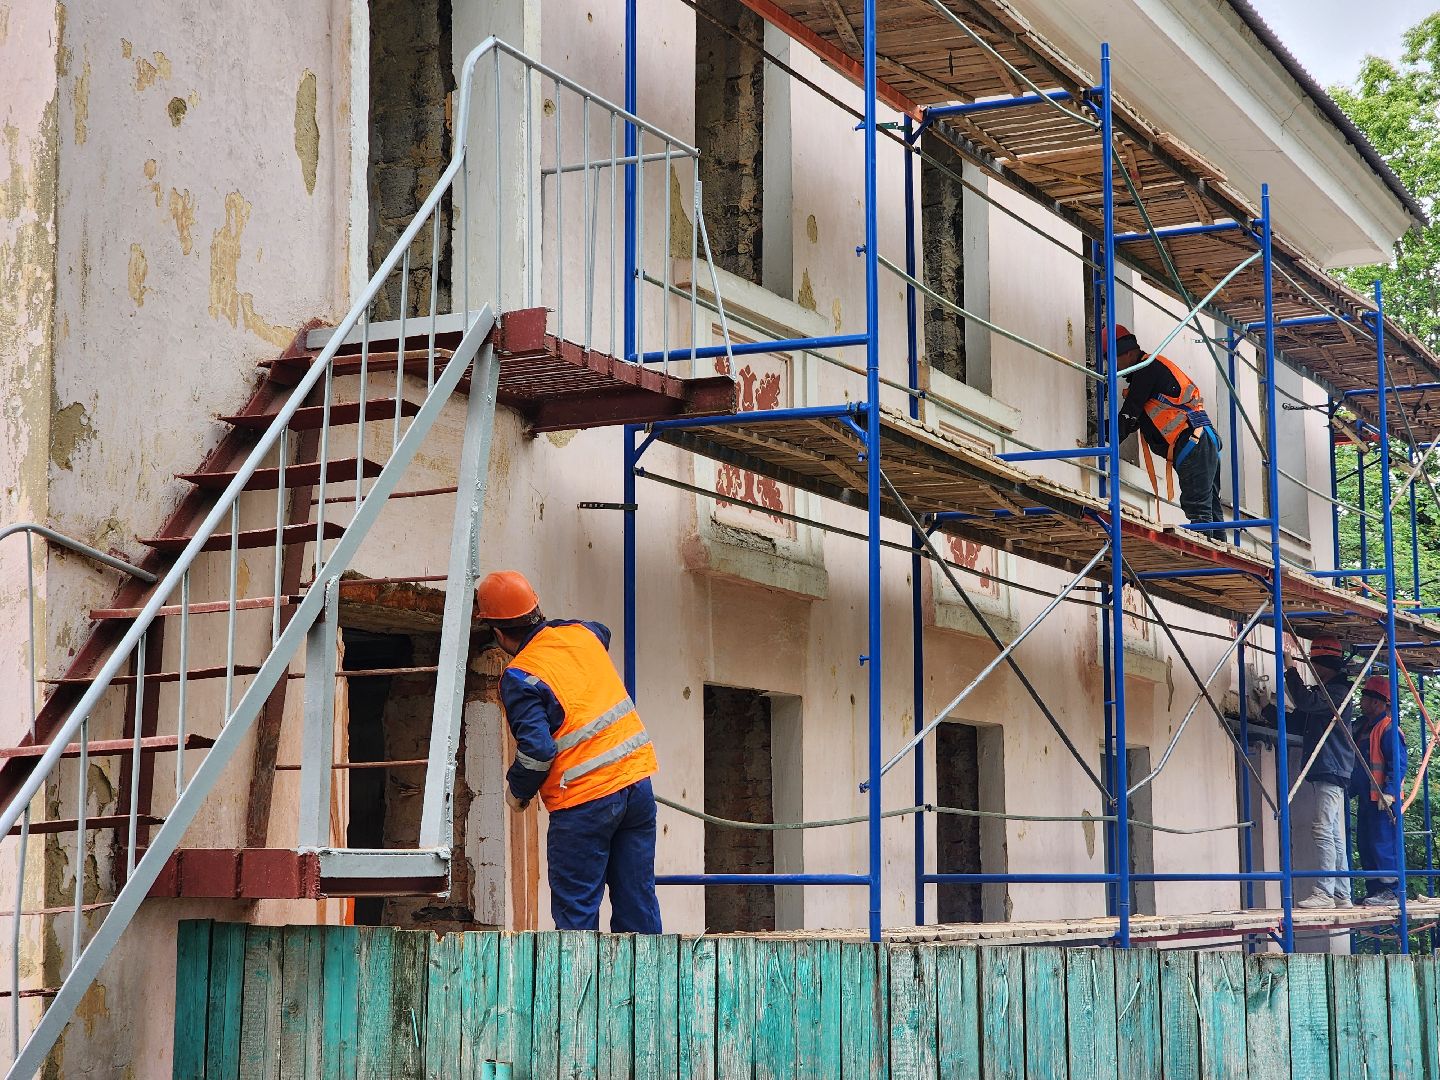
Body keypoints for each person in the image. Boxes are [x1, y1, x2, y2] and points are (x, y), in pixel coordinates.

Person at [476, 569, 662, 933]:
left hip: (583, 803)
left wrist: (518, 792)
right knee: (637, 902)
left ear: (497, 633)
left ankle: (582, 991)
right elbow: (601, 630)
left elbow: (539, 751)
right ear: (536, 610)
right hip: (636, 788)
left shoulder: (520, 676)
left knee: (576, 918)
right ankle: (646, 990)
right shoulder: (581, 634)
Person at [1112, 324, 1223, 525]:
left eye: (1112, 359)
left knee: (1199, 510)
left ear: (1128, 354)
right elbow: (1138, 419)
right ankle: (1218, 552)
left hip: (1194, 443)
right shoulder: (1153, 370)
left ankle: (1203, 557)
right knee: (1210, 509)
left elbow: (1129, 415)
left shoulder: (1146, 370)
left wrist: (1104, 444)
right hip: (1202, 440)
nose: (1112, 366)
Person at [1283, 637, 1358, 909]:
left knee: (1323, 829)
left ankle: (1326, 891)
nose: (1313, 670)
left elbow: (1304, 702)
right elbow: (1299, 720)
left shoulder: (1337, 692)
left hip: (1330, 766)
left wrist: (1289, 669)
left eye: (1315, 665)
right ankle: (1341, 893)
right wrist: (1267, 708)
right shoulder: (1327, 694)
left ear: (1326, 666)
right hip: (1329, 767)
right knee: (1333, 833)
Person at [1350, 675, 1407, 907]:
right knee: (1366, 844)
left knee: (1382, 843)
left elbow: (1398, 764)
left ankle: (1391, 891)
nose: (1361, 701)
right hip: (1368, 799)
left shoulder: (1388, 729)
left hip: (1383, 801)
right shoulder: (1363, 727)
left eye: (1365, 697)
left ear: (1377, 702)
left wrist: (1391, 792)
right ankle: (1375, 889)